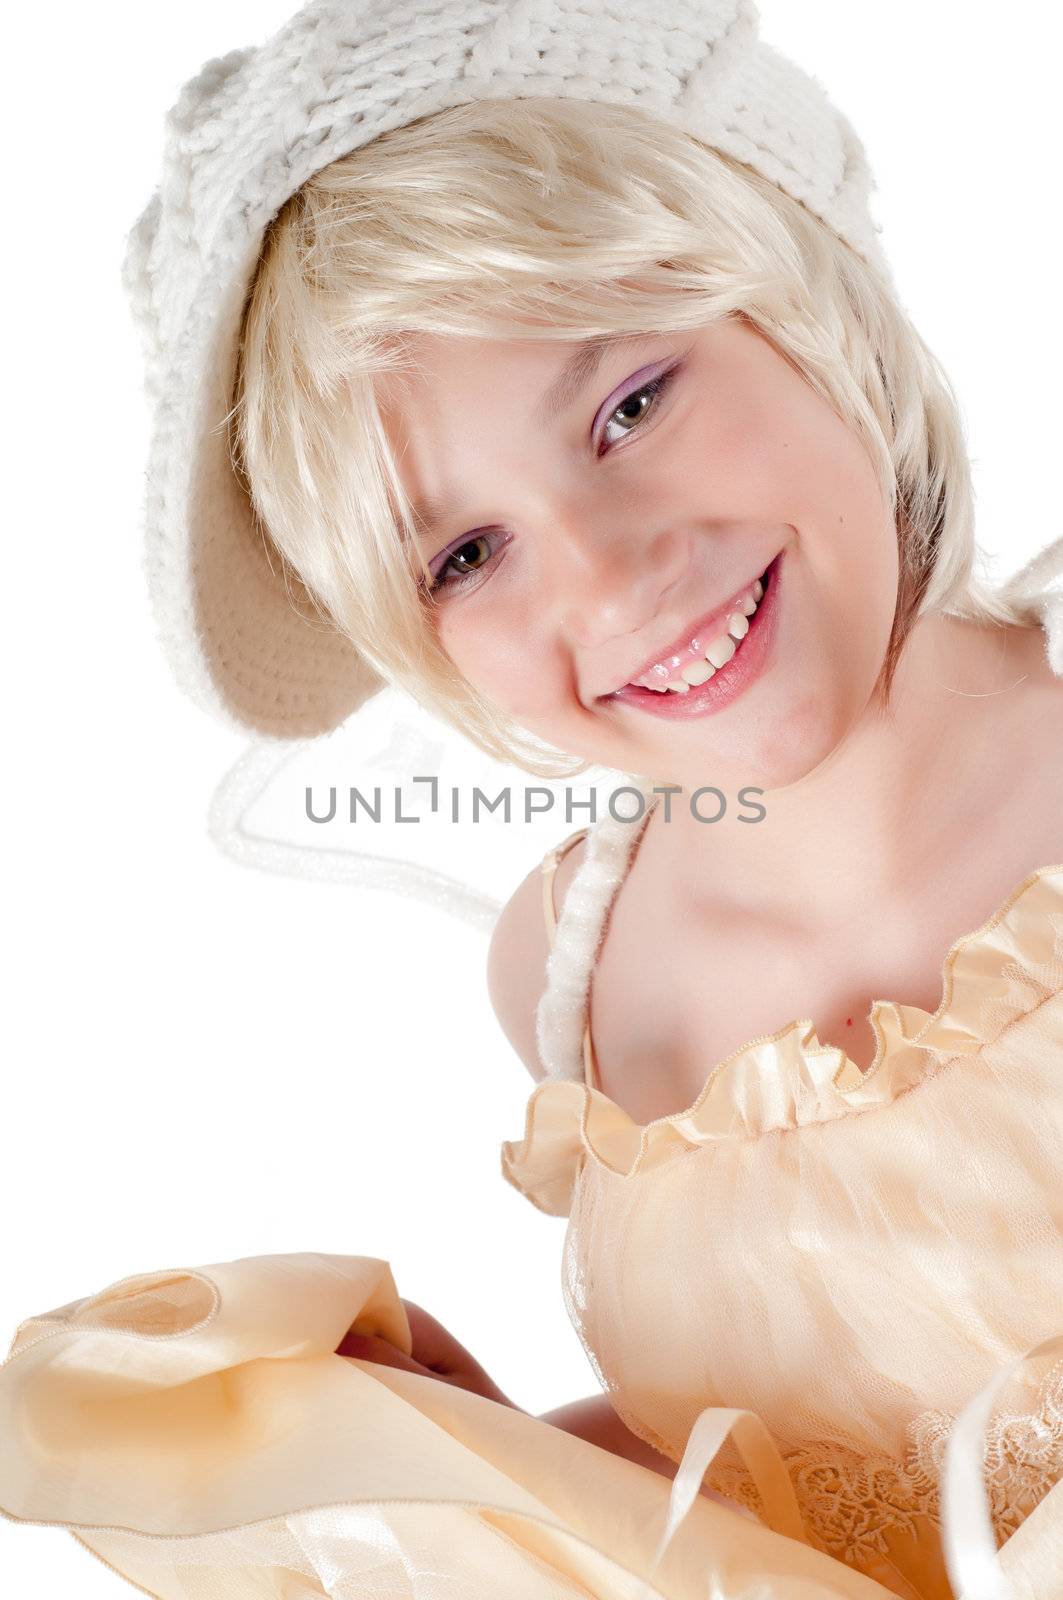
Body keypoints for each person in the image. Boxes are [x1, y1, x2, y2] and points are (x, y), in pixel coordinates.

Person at [2, 2, 1061, 1597]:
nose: (616, 575)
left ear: (800, 297)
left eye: (631, 405)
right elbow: (829, 1474)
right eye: (467, 554)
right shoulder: (574, 973)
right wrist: (485, 1459)